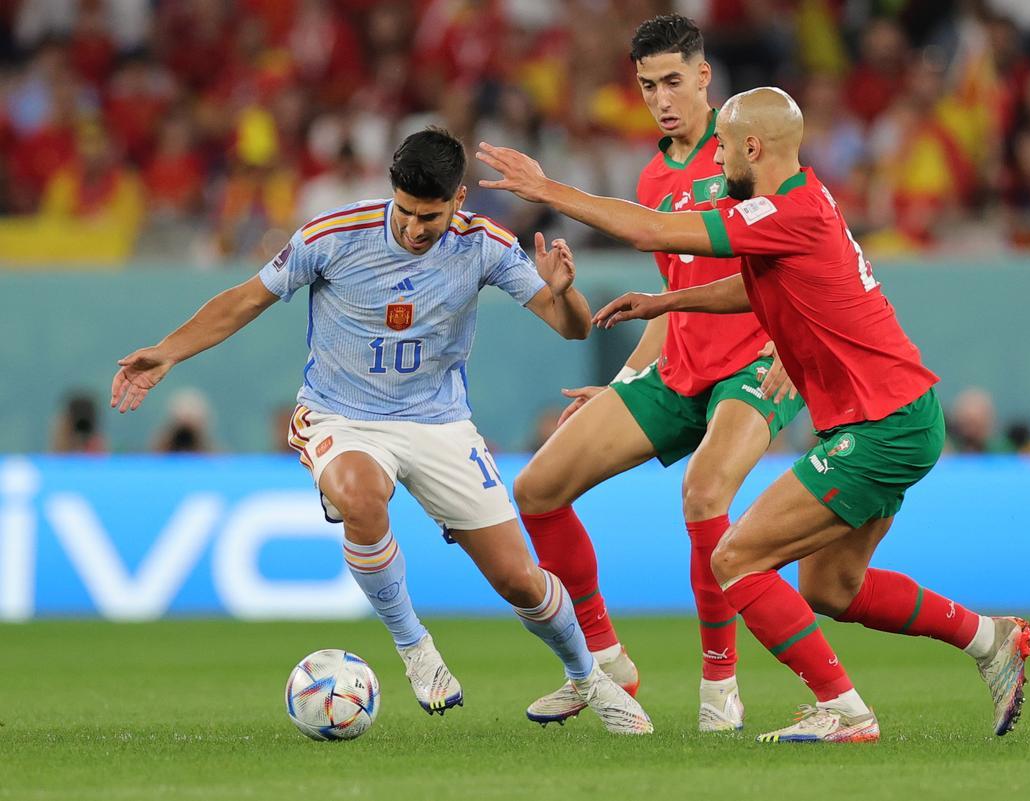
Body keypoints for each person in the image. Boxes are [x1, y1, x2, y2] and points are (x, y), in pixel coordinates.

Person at [477, 88, 1030, 744]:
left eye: (722, 146)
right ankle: (990, 637)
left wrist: (547, 190)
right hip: (898, 415)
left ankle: (846, 711)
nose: (714, 154)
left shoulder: (780, 210)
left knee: (737, 558)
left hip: (879, 425)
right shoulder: (802, 201)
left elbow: (649, 229)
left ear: (751, 148)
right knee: (833, 586)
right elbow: (755, 283)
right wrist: (667, 304)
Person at [111, 126, 652, 735]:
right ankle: (415, 647)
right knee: (362, 494)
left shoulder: (486, 247)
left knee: (518, 580)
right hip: (342, 416)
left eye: (431, 216)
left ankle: (588, 678)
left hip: (440, 423)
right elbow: (244, 300)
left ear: (460, 199)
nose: (416, 228)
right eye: (406, 211)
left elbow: (572, 329)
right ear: (391, 192)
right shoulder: (332, 237)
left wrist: (566, 294)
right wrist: (167, 352)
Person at [515, 15, 804, 733]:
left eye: (674, 81)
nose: (661, 99)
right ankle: (606, 664)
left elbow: (812, 249)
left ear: (705, 76)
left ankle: (719, 684)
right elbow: (670, 303)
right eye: (647, 87)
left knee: (704, 494)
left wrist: (799, 348)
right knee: (537, 489)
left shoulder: (748, 148)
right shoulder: (655, 174)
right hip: (680, 368)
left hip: (754, 364)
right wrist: (619, 387)